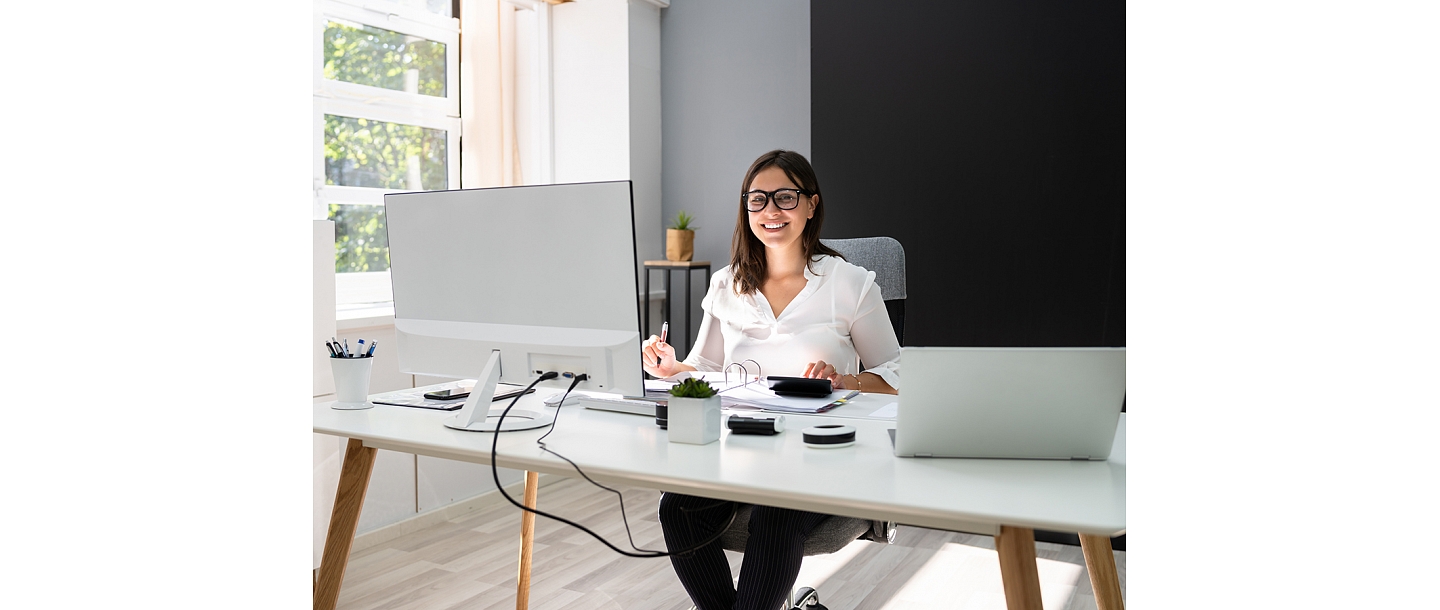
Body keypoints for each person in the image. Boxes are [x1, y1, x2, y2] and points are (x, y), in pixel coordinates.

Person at [641, 150, 901, 610]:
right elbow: (706, 369)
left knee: (777, 512)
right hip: (736, 451)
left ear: (811, 204)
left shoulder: (849, 283)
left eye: (785, 197)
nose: (770, 210)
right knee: (676, 508)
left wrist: (846, 380)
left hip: (817, 455)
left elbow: (899, 375)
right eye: (757, 199)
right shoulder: (726, 284)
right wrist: (671, 368)